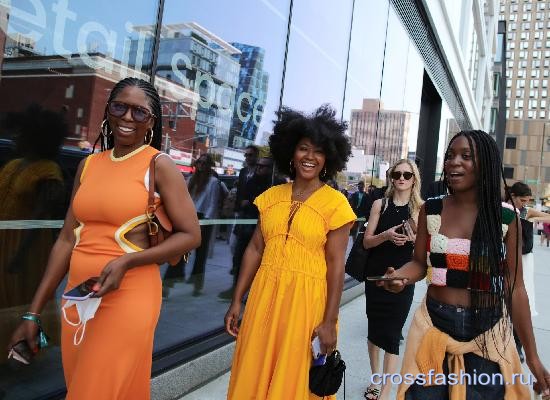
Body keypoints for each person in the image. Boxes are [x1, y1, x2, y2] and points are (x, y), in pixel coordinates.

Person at [8, 77, 201, 400]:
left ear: (151, 122)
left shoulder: (159, 165)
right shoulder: (87, 165)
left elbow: (191, 234)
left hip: (130, 295)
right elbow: (67, 239)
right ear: (107, 111)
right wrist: (34, 311)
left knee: (91, 392)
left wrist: (129, 260)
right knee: (93, 384)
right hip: (79, 295)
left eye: (139, 112)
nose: (128, 118)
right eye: (119, 107)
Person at [380, 130, 550, 399]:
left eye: (466, 156)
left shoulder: (506, 217)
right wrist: (400, 277)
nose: (454, 162)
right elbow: (417, 264)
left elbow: (515, 288)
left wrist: (532, 356)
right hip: (434, 327)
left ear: (486, 165)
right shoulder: (430, 209)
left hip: (487, 334)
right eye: (450, 156)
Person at [224, 105, 356, 399]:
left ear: (328, 159)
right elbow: (255, 248)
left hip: (306, 303)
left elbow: (336, 266)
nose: (310, 157)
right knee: (256, 366)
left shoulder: (336, 204)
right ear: (290, 153)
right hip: (264, 296)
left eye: (318, 151)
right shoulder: (270, 197)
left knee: (293, 375)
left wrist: (329, 321)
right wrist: (237, 300)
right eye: (303, 149)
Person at [0, 105, 67, 350]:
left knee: (20, 296)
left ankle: (25, 346)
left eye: (21, 132)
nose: (15, 137)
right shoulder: (12, 165)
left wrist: (20, 254)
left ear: (36, 138)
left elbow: (41, 218)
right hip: (5, 237)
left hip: (27, 245)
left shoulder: (48, 172)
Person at [362, 159, 423, 400]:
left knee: (392, 332)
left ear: (414, 179)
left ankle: (387, 387)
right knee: (374, 330)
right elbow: (367, 241)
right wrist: (386, 235)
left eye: (407, 175)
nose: (401, 178)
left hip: (402, 277)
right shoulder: (380, 203)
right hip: (375, 275)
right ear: (391, 177)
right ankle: (376, 379)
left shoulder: (421, 208)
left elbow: (425, 246)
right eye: (396, 174)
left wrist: (412, 239)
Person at [219, 157, 282, 300]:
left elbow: (265, 204)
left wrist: (252, 202)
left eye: (263, 166)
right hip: (246, 226)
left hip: (265, 229)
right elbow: (243, 201)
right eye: (258, 165)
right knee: (239, 258)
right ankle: (236, 290)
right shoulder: (251, 181)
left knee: (259, 262)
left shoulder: (276, 184)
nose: (259, 168)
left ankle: (253, 293)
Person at [506, 182, 550, 364]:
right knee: (503, 300)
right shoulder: (503, 210)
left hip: (525, 260)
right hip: (506, 259)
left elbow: (547, 217)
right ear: (513, 195)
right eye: (522, 200)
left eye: (527, 201)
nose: (525, 203)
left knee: (523, 302)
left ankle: (517, 344)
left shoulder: (525, 212)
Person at [186, 153, 224, 296]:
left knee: (201, 254)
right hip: (189, 216)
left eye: (204, 163)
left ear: (209, 166)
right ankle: (172, 280)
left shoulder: (213, 181)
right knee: (181, 249)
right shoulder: (190, 179)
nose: (201, 165)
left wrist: (206, 221)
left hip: (204, 218)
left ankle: (197, 285)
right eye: (199, 162)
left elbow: (213, 203)